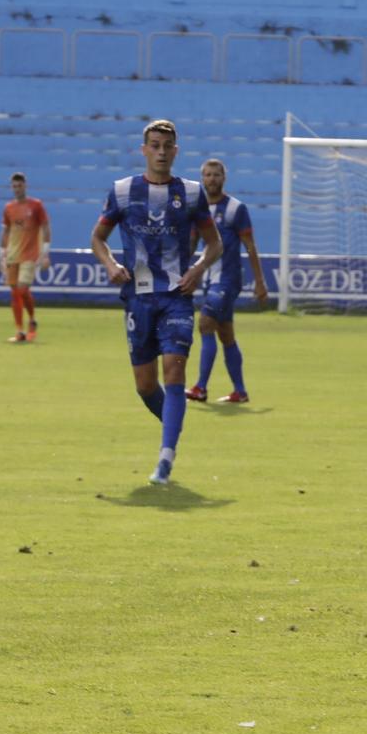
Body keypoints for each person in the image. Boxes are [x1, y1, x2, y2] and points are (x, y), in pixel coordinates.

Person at [90, 119, 223, 487]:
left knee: (175, 371)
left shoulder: (192, 194)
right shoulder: (122, 191)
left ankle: (165, 458)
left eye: (168, 146)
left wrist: (196, 270)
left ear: (176, 151)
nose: (161, 151)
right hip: (137, 298)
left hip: (177, 297)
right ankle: (173, 427)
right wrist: (111, 264)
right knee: (145, 385)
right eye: (155, 145)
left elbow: (215, 244)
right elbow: (98, 238)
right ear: (144, 149)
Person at [187, 158, 269, 403]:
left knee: (204, 324)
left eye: (216, 175)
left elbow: (251, 247)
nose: (212, 179)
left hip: (228, 280)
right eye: (208, 175)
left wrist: (260, 281)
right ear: (202, 179)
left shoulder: (235, 208)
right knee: (225, 334)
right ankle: (240, 391)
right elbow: (191, 244)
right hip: (209, 280)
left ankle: (200, 388)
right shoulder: (198, 210)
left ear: (224, 178)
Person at [0, 171, 51, 343]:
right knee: (15, 292)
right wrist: (2, 254)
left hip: (30, 254)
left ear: (25, 185)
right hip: (12, 255)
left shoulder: (36, 205)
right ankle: (20, 331)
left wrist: (45, 253)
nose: (16, 189)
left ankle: (31, 319)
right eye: (14, 186)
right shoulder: (9, 208)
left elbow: (45, 227)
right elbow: (6, 230)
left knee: (22, 288)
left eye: (19, 185)